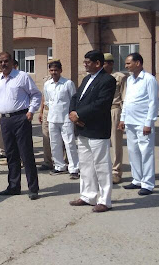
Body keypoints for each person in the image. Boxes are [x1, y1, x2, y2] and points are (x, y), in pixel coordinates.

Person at [0, 52, 42, 199]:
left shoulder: (22, 76)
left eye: (6, 61)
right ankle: (14, 186)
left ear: (12, 62)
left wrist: (31, 111)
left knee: (26, 154)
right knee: (11, 154)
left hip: (21, 118)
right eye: (0, 62)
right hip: (5, 120)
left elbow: (36, 94)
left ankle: (33, 188)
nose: (3, 64)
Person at [69, 50, 116, 213]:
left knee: (101, 165)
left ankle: (105, 200)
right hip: (83, 128)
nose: (85, 64)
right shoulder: (87, 79)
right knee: (86, 164)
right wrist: (72, 113)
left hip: (97, 128)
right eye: (85, 61)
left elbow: (101, 103)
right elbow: (76, 97)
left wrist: (80, 114)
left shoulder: (107, 80)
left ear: (98, 63)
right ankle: (88, 196)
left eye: (88, 62)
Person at [117, 53, 158, 196]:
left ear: (138, 63)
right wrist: (122, 118)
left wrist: (149, 123)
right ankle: (137, 180)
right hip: (130, 122)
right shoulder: (129, 80)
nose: (126, 66)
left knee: (146, 152)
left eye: (128, 63)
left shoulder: (149, 79)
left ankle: (147, 183)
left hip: (143, 123)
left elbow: (153, 102)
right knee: (133, 151)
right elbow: (127, 100)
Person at [42, 59, 79, 179]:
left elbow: (74, 99)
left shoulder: (68, 83)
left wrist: (73, 115)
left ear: (60, 70)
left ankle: (74, 168)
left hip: (66, 118)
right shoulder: (47, 84)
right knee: (54, 143)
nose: (54, 72)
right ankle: (59, 166)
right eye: (51, 70)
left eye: (56, 70)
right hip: (52, 118)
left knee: (69, 143)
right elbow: (47, 100)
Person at [103, 53, 128, 184]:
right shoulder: (98, 77)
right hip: (101, 111)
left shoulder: (120, 77)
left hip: (114, 109)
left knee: (116, 142)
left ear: (111, 64)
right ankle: (104, 170)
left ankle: (116, 171)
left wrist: (123, 117)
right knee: (102, 142)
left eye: (104, 63)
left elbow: (125, 97)